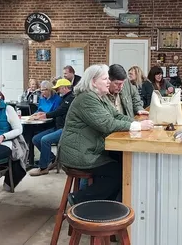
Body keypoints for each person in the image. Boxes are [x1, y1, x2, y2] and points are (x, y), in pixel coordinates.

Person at [59, 64, 154, 205]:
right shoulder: (86, 99)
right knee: (119, 172)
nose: (108, 82)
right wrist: (138, 126)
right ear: (93, 82)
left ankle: (108, 203)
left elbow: (117, 116)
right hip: (79, 153)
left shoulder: (100, 97)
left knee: (124, 162)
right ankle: (80, 199)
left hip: (91, 148)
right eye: (105, 79)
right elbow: (107, 124)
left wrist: (140, 123)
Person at [29, 79, 74, 176]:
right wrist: (44, 113)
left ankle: (43, 168)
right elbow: (57, 111)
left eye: (58, 88)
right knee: (35, 139)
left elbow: (60, 111)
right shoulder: (64, 98)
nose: (57, 91)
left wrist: (45, 115)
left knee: (45, 140)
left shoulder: (71, 98)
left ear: (64, 88)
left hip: (66, 129)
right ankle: (52, 158)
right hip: (57, 127)